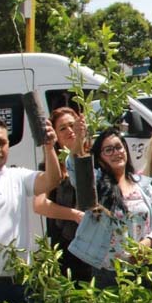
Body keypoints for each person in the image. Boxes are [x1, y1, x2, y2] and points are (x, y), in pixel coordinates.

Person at [66, 121, 152, 288]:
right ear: (99, 158)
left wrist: (149, 242)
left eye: (119, 147)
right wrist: (79, 139)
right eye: (108, 150)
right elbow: (74, 169)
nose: (116, 153)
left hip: (142, 271)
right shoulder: (96, 185)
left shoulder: (144, 187)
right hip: (108, 273)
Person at [0, 114, 60, 303]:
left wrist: (49, 147)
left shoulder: (17, 177)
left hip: (20, 282)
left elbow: (52, 180)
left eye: (2, 142)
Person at [32, 107, 92, 283]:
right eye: (63, 128)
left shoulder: (92, 158)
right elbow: (39, 204)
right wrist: (73, 215)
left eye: (72, 125)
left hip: (92, 240)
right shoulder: (50, 166)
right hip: (65, 242)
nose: (69, 131)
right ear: (55, 135)